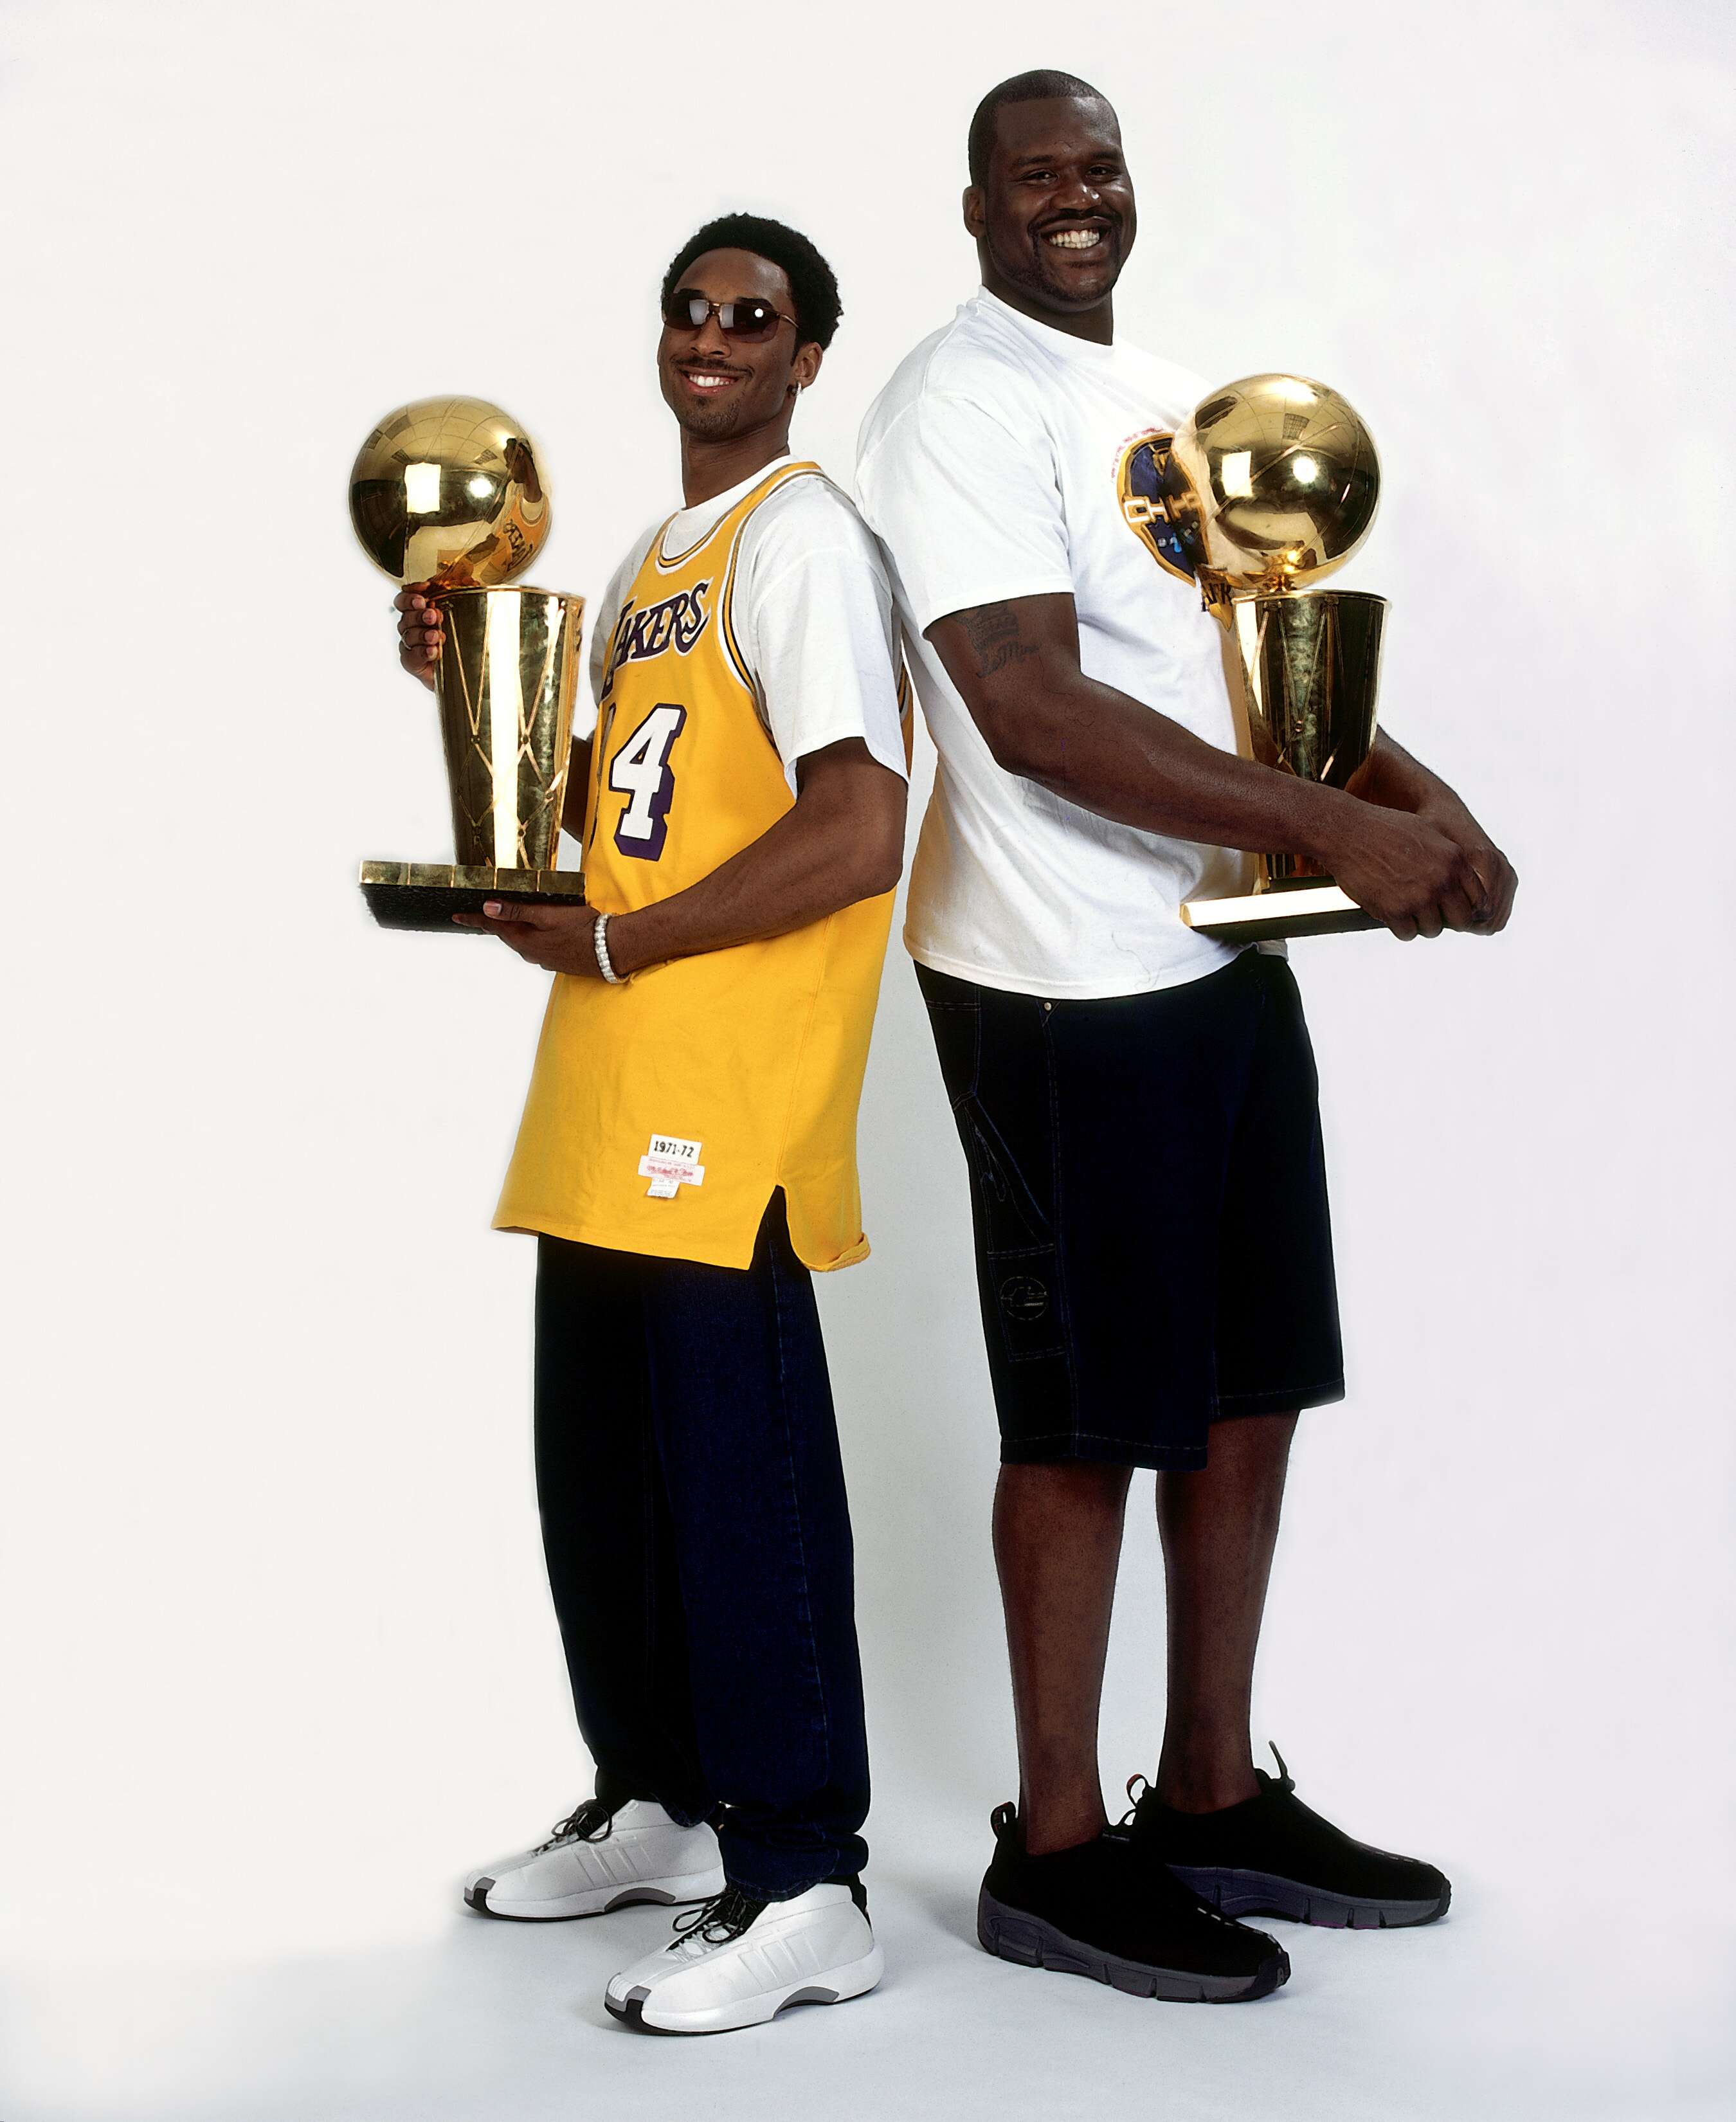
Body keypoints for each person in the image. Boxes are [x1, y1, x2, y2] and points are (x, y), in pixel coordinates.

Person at [855, 72, 1517, 2004]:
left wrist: (1427, 811)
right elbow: (1029, 706)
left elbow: (1248, 660)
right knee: (1087, 1415)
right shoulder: (954, 405)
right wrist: (1335, 830)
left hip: (1217, 950)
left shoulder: (1147, 399)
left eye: (1099, 168)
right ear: (974, 209)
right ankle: (1056, 1854)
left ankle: (1210, 1793)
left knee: (1244, 1386)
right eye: (1036, 173)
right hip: (1059, 975)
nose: (1077, 198)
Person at [393, 213, 910, 2036]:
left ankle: (805, 1880)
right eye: (687, 308)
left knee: (741, 1490)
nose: (709, 335)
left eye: (750, 315)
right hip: (608, 1080)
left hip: (726, 1090)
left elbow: (861, 823)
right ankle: (664, 1802)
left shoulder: (801, 541)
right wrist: (458, 668)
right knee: (602, 1480)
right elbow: (617, 795)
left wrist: (624, 939)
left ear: (805, 354)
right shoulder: (641, 558)